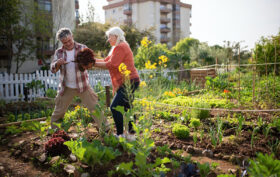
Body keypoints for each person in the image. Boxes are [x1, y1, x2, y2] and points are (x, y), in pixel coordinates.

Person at [50, 27, 107, 133]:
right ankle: (55, 133)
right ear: (61, 42)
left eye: (69, 40)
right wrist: (58, 63)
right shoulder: (59, 52)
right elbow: (53, 69)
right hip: (66, 87)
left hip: (83, 85)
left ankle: (105, 129)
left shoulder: (82, 48)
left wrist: (85, 64)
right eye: (65, 42)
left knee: (95, 107)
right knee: (58, 111)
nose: (68, 43)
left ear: (72, 36)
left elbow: (90, 63)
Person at [93, 27, 140, 139]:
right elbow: (106, 61)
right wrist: (92, 60)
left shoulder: (120, 47)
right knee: (128, 107)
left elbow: (112, 65)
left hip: (128, 81)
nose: (108, 39)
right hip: (130, 80)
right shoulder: (117, 47)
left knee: (114, 107)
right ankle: (131, 135)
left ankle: (120, 134)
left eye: (110, 36)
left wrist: (92, 64)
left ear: (116, 36)